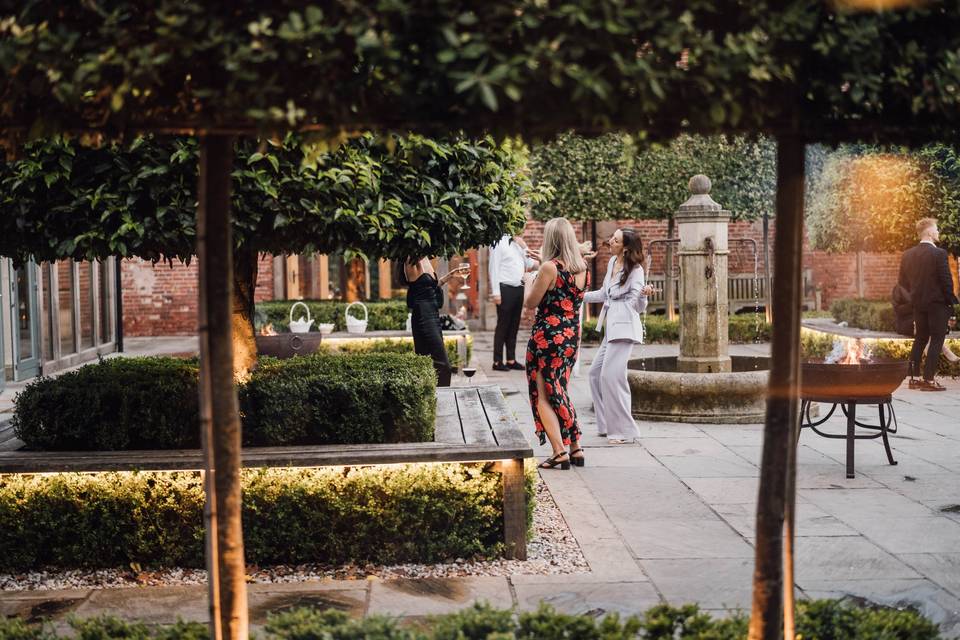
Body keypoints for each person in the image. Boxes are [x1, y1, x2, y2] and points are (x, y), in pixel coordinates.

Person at [522, 217, 589, 470]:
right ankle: (576, 447)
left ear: (550, 240)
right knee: (559, 388)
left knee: (543, 393)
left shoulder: (549, 268)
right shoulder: (582, 267)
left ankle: (559, 451)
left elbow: (531, 303)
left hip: (548, 335)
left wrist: (529, 280)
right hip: (570, 336)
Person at [584, 228, 654, 444]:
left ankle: (623, 431)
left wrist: (643, 295)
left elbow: (638, 306)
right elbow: (605, 294)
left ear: (625, 248)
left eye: (615, 240)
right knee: (595, 374)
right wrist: (577, 295)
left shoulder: (636, 271)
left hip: (624, 328)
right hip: (610, 327)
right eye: (612, 238)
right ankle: (606, 425)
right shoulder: (612, 263)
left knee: (612, 377)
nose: (610, 242)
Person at [897, 218, 959, 391]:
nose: (938, 232)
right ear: (930, 233)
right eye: (937, 230)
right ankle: (929, 380)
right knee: (937, 339)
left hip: (918, 304)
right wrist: (951, 305)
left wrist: (914, 297)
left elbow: (902, 282)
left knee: (920, 339)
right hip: (937, 304)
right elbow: (947, 282)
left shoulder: (908, 254)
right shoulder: (939, 254)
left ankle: (914, 378)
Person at [403, 258, 469, 387]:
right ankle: (443, 399)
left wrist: (450, 276)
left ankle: (429, 398)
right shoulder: (411, 260)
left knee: (426, 361)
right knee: (442, 364)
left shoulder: (426, 259)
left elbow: (430, 287)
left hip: (433, 314)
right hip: (423, 315)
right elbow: (417, 287)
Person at [489, 229, 538, 371]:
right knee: (503, 325)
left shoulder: (518, 244)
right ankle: (497, 361)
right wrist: (496, 293)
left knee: (514, 325)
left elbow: (529, 264)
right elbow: (494, 268)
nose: (521, 229)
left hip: (519, 288)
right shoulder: (498, 242)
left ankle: (511, 359)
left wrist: (524, 247)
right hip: (504, 289)